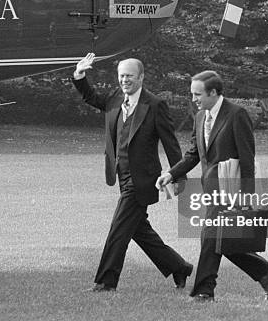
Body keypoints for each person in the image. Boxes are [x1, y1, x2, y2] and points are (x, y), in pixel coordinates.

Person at [72, 53, 193, 292]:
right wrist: (80, 75)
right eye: (121, 76)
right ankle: (179, 267)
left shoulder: (155, 105)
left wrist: (178, 175)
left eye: (129, 76)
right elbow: (92, 97)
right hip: (121, 175)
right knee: (139, 230)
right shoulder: (115, 98)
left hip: (143, 179)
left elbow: (170, 144)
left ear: (141, 78)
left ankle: (106, 282)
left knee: (119, 228)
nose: (124, 80)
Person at [155, 70, 268, 301]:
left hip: (230, 190)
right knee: (220, 239)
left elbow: (247, 159)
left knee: (211, 238)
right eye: (193, 94)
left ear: (213, 92)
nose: (194, 99)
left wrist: (245, 197)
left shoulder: (236, 114)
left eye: (198, 94)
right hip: (210, 190)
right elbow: (193, 154)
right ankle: (263, 271)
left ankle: (204, 290)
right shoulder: (200, 117)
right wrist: (171, 174)